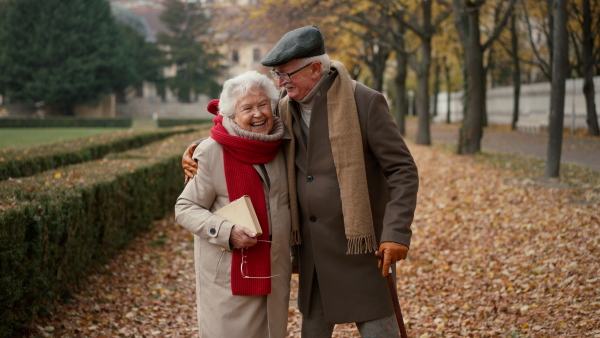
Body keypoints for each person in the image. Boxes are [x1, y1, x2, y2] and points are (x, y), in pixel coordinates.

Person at [182, 25, 419, 337]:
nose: (280, 82)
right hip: (313, 252)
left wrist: (397, 233)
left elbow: (403, 170)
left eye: (287, 74)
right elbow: (245, 130)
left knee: (380, 331)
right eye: (277, 75)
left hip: (363, 249)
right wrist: (201, 148)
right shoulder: (284, 105)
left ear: (316, 68)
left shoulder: (365, 103)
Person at [175, 70, 292, 337]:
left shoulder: (282, 146)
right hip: (229, 278)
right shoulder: (211, 151)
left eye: (263, 104)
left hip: (274, 274)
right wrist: (227, 232)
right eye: (247, 108)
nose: (258, 114)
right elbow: (184, 208)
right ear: (230, 115)